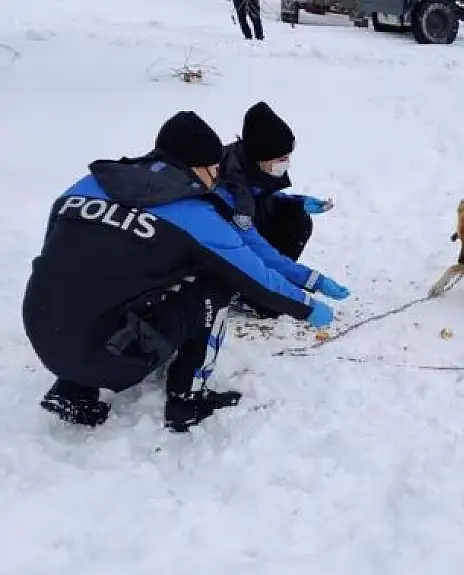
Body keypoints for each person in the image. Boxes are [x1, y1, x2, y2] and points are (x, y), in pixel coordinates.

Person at [22, 110, 348, 432]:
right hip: (107, 356)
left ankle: (73, 387)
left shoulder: (88, 185)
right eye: (214, 169)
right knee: (214, 283)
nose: (217, 176)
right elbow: (253, 276)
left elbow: (56, 258)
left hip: (41, 331)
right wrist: (305, 306)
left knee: (98, 275)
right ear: (197, 168)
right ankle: (187, 399)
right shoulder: (193, 213)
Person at [220, 100, 336, 318]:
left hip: (244, 231)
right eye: (281, 159)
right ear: (261, 157)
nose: (286, 164)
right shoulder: (229, 188)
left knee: (295, 218)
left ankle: (266, 288)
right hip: (223, 249)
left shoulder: (247, 163)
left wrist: (297, 202)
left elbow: (261, 195)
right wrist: (311, 280)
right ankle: (255, 294)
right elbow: (255, 247)